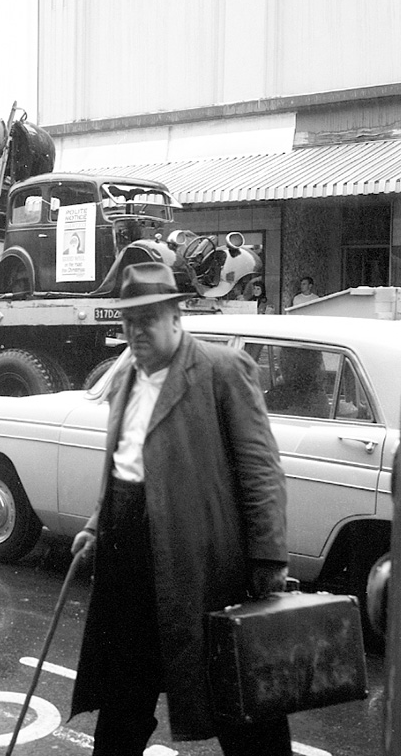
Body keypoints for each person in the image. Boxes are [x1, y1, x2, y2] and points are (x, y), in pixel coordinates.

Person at [70, 262, 290, 756]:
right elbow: (126, 464)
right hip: (127, 559)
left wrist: (268, 559)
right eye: (128, 320)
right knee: (124, 694)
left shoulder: (222, 369)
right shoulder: (125, 373)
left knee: (236, 695)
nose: (136, 331)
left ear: (175, 316)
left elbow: (261, 470)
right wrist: (94, 525)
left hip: (202, 567)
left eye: (147, 319)